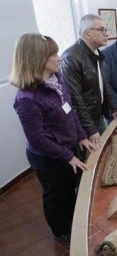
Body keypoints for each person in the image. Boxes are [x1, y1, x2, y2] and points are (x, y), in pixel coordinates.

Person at [9, 33, 96, 244]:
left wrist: (81, 137)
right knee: (56, 195)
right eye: (54, 55)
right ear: (37, 60)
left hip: (67, 148)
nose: (59, 58)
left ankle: (73, 221)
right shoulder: (26, 98)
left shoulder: (56, 78)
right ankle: (61, 231)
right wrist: (68, 156)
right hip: (48, 157)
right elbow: (38, 139)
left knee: (69, 190)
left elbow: (70, 110)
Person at [61, 14, 117, 150]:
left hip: (97, 116)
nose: (106, 34)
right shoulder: (71, 58)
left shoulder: (95, 53)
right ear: (88, 34)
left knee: (102, 152)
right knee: (89, 161)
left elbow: (102, 85)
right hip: (83, 124)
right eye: (102, 30)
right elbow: (75, 99)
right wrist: (90, 129)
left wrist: (113, 108)